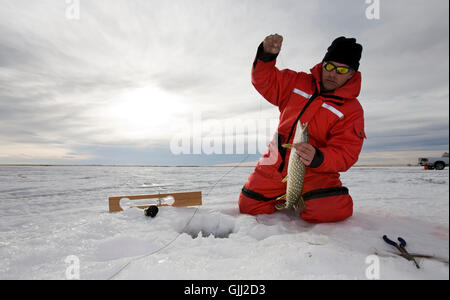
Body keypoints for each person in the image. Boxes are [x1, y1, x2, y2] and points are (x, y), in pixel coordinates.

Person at [238, 34, 366, 223]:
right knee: (248, 206)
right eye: (329, 66)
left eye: (341, 70)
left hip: (316, 172)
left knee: (330, 210)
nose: (332, 73)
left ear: (351, 74)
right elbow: (264, 80)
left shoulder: (351, 110)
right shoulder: (296, 82)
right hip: (275, 162)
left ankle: (304, 198)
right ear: (322, 65)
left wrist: (319, 157)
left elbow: (346, 153)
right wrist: (266, 56)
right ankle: (284, 197)